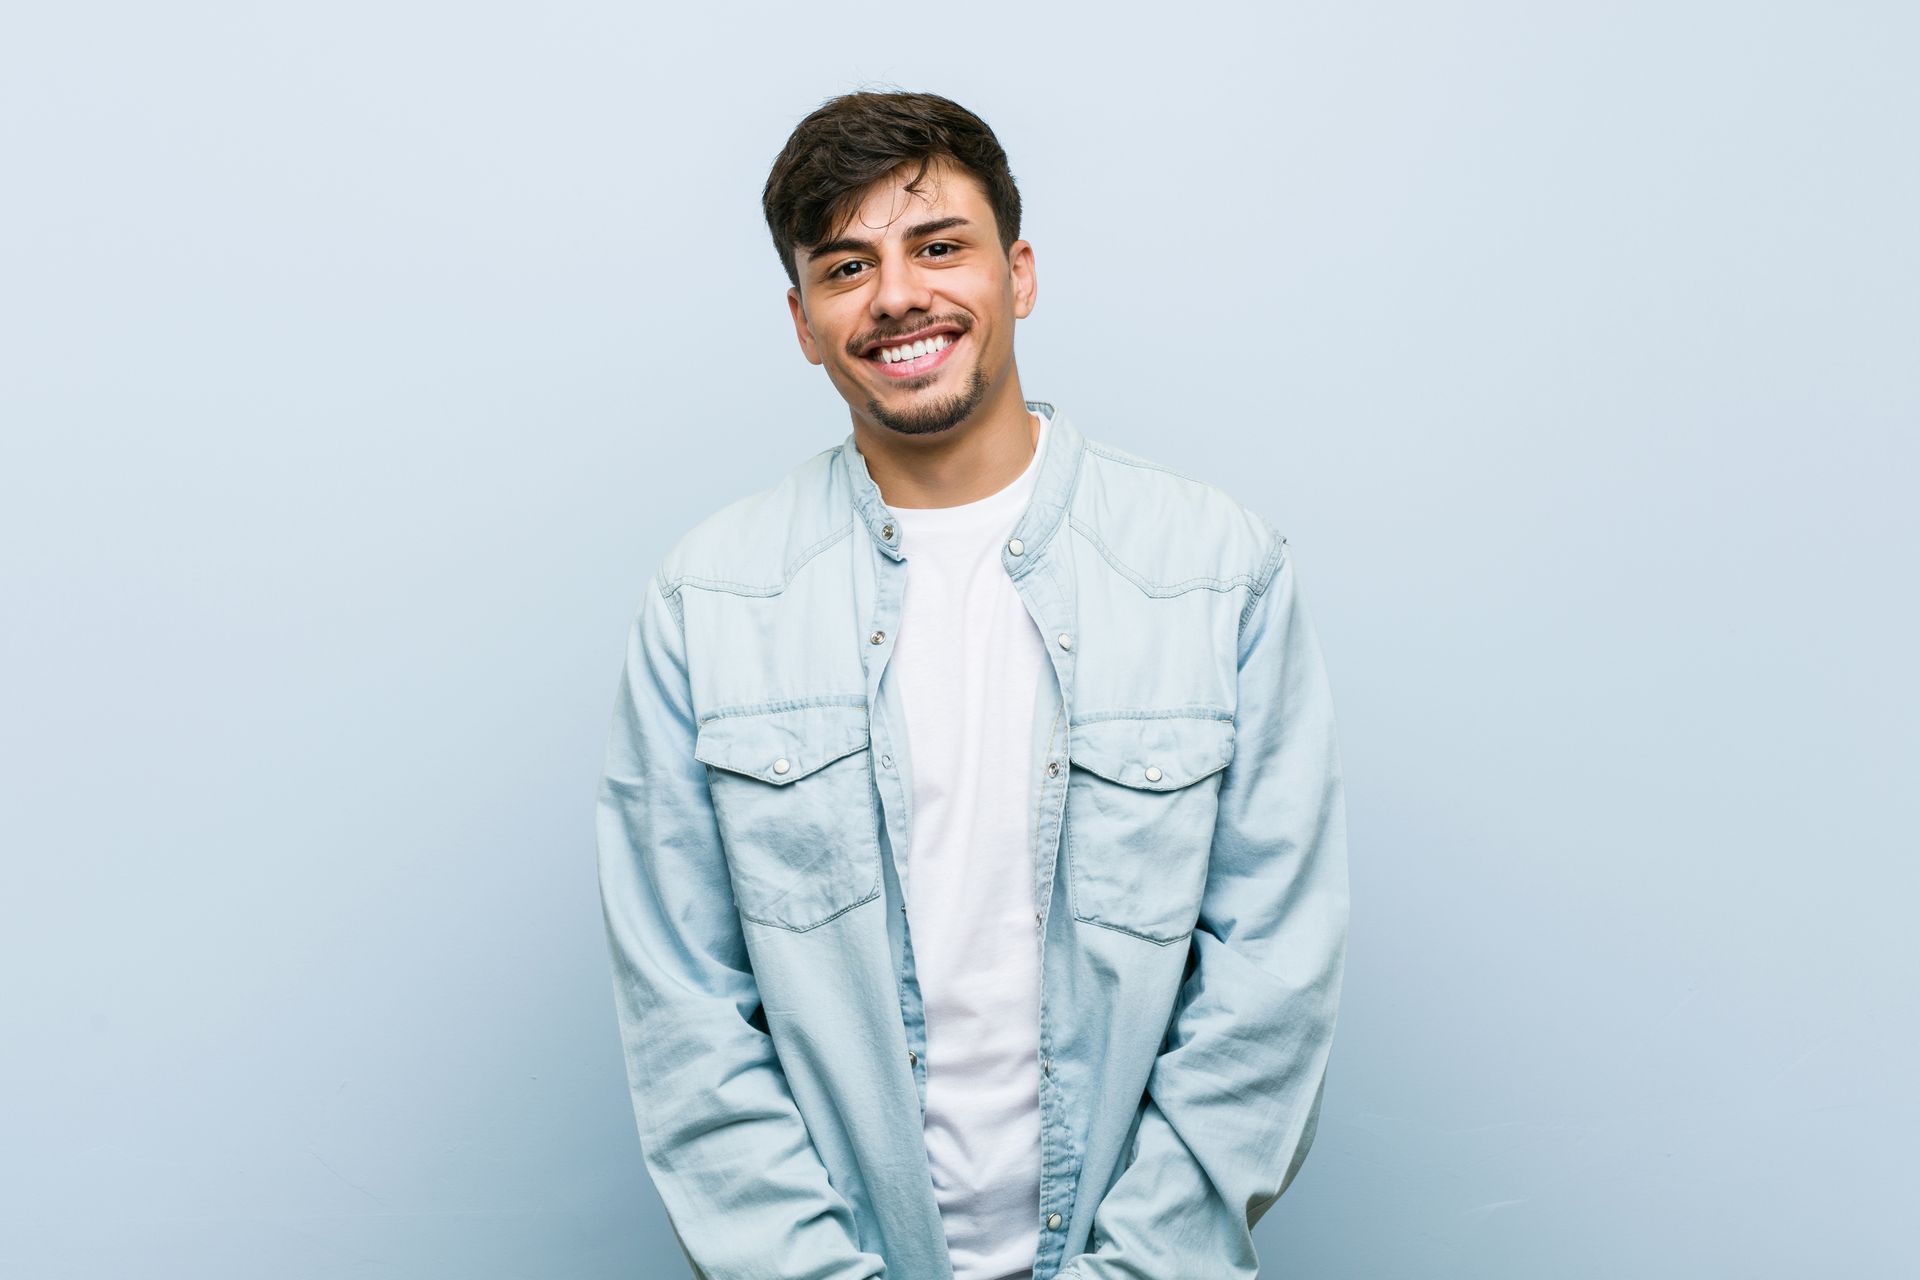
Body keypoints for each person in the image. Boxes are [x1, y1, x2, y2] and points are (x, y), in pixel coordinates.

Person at [595, 89, 1350, 1280]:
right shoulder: (708, 603)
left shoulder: (1217, 571)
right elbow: (685, 1015)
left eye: (939, 245)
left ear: (1021, 272)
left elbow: (1270, 982)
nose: (898, 294)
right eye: (848, 266)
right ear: (802, 320)